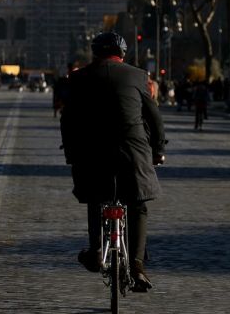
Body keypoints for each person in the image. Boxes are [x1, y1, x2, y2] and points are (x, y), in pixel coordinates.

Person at [60, 32, 166, 292]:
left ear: (95, 53)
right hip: (133, 153)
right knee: (138, 206)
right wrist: (158, 150)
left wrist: (72, 153)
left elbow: (68, 119)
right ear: (123, 53)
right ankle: (138, 267)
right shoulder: (138, 76)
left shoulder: (79, 78)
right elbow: (154, 117)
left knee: (96, 200)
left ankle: (97, 249)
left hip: (92, 156)